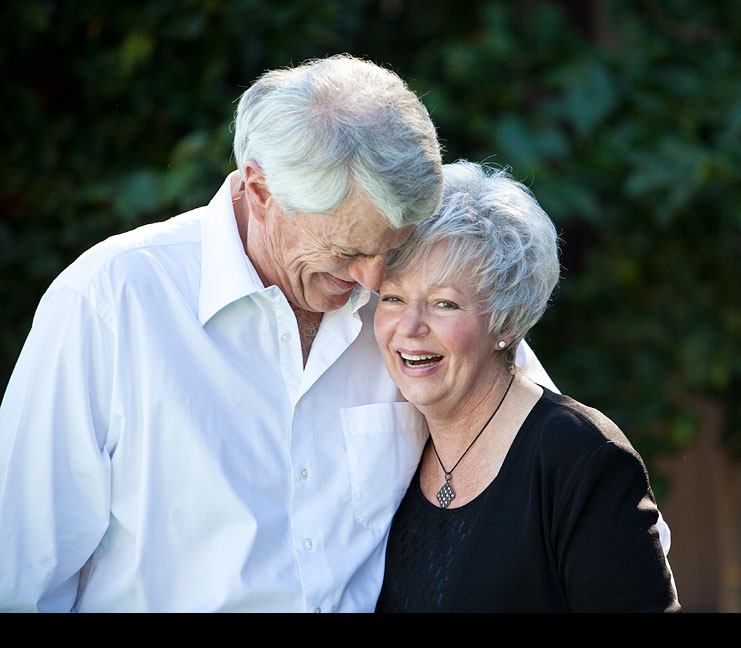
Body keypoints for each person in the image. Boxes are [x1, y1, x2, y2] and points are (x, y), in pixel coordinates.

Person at [0, 55, 552, 613]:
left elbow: (550, 450)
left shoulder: (406, 298)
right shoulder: (110, 301)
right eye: (347, 251)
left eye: (390, 250)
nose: (371, 280)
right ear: (260, 191)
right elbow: (22, 573)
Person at [373, 161, 679, 612]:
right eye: (394, 297)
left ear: (508, 322)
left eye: (445, 303)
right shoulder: (396, 452)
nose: (410, 326)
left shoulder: (580, 457)